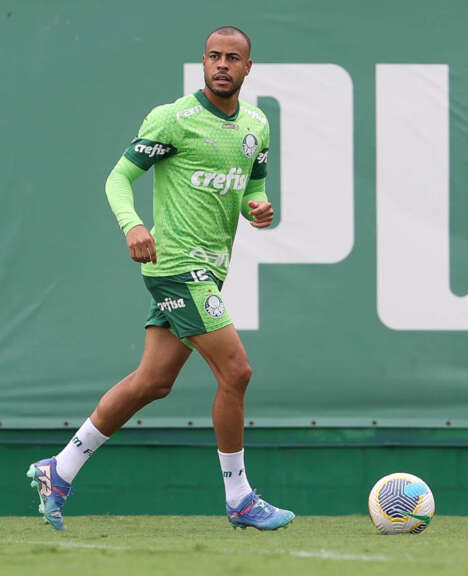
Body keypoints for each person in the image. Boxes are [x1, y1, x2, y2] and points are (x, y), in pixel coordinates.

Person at [26, 26, 294, 531]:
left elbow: (253, 188)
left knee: (152, 382)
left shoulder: (256, 125)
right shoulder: (173, 118)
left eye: (232, 58)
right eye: (213, 56)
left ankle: (58, 470)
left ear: (247, 67)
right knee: (236, 372)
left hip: (210, 270)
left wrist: (258, 208)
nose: (221, 64)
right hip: (176, 267)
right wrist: (133, 225)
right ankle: (239, 497)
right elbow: (118, 178)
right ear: (204, 61)